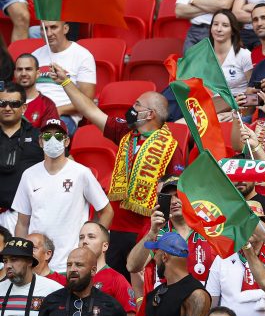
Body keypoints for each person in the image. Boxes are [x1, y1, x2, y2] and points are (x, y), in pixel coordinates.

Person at [56, 68, 184, 275]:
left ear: (149, 113)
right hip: (115, 227)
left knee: (138, 283)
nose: (131, 108)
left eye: (137, 105)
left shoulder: (170, 147)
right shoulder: (125, 131)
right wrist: (66, 83)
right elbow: (90, 111)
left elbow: (175, 190)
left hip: (144, 230)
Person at [12, 118, 111, 273]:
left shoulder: (81, 173)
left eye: (58, 136)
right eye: (47, 136)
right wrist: (22, 258)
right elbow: (22, 223)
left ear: (66, 142)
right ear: (40, 141)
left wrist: (91, 249)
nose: (52, 140)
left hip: (72, 265)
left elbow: (106, 211)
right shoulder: (29, 175)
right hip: (37, 265)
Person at [125, 177, 219, 288]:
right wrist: (152, 233)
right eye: (169, 198)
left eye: (178, 196)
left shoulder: (210, 230)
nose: (174, 202)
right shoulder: (158, 232)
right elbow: (132, 267)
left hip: (204, 299)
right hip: (167, 300)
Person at [31, 21, 97, 130]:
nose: (48, 33)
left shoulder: (83, 56)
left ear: (65, 29)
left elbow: (88, 100)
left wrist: (58, 109)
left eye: (53, 27)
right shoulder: (34, 55)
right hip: (34, 111)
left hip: (64, 116)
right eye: (44, 29)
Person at [0, 85, 44, 232]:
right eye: (2, 104)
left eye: (14, 104)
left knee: (18, 256)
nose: (7, 108)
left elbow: (65, 165)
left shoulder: (39, 137)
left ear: (24, 108)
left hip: (24, 217)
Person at [209, 10, 254, 96]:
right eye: (215, 24)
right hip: (209, 107)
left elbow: (252, 91)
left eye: (225, 25)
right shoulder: (203, 55)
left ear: (233, 30)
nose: (219, 29)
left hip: (238, 106)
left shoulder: (244, 55)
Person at [12, 55, 59, 130]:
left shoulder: (47, 105)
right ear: (14, 73)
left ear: (38, 74)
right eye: (20, 69)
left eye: (28, 69)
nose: (23, 73)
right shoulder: (4, 102)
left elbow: (49, 138)